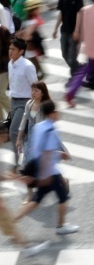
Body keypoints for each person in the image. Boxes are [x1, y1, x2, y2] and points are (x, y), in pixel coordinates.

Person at [12, 100, 78, 235]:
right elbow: (47, 153)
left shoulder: (39, 127)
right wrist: (44, 175)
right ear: (52, 113)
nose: (58, 113)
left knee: (37, 200)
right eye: (57, 111)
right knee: (63, 198)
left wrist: (58, 155)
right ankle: (61, 226)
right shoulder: (51, 130)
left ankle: (13, 220)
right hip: (48, 171)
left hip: (40, 167)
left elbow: (39, 149)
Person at [16, 80, 50, 201]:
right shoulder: (29, 104)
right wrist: (19, 138)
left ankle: (62, 181)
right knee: (27, 167)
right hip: (29, 141)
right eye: (32, 90)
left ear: (42, 93)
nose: (33, 93)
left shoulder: (46, 106)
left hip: (41, 143)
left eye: (36, 90)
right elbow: (24, 121)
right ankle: (30, 195)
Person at [8, 38, 38, 170]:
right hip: (13, 101)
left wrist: (36, 104)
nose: (10, 51)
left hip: (25, 103)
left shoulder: (27, 66)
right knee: (23, 134)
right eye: (10, 48)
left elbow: (35, 85)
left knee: (14, 131)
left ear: (21, 51)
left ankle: (17, 163)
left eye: (13, 49)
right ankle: (28, 160)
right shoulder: (10, 64)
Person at [52, 0, 83, 78]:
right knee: (64, 54)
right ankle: (79, 68)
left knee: (72, 57)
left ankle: (76, 77)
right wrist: (55, 28)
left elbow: (79, 13)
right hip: (64, 29)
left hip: (74, 30)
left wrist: (77, 30)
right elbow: (61, 13)